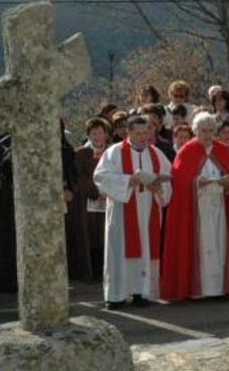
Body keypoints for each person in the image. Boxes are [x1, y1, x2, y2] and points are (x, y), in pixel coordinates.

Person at [160, 112, 229, 301]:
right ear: (195, 131)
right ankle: (199, 289)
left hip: (220, 207)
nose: (207, 135)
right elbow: (179, 182)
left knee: (220, 243)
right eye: (203, 130)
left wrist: (228, 183)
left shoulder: (222, 151)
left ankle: (221, 288)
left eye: (210, 130)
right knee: (202, 246)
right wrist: (197, 183)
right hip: (196, 210)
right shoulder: (186, 152)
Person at [94, 116, 173, 309]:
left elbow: (169, 180)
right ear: (128, 132)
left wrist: (158, 187)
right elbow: (100, 177)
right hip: (123, 211)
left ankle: (141, 292)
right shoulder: (114, 153)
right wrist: (129, 180)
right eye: (138, 133)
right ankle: (116, 295)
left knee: (146, 248)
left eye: (146, 132)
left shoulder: (156, 154)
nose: (143, 137)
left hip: (148, 209)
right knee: (119, 251)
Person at [67, 117, 111, 283]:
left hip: (109, 199)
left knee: (105, 235)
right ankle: (90, 273)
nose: (97, 136)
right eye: (93, 133)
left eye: (100, 133)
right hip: (87, 202)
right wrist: (95, 192)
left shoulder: (112, 151)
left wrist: (107, 191)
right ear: (88, 135)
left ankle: (104, 271)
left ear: (106, 134)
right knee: (89, 236)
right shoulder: (80, 154)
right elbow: (79, 177)